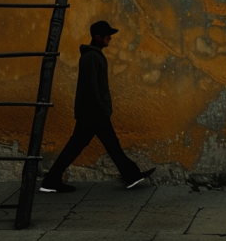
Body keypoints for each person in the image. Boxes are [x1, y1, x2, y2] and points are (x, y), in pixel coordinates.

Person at [39, 20, 154, 193]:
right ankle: (130, 175)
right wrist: (102, 108)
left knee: (90, 145)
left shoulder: (93, 56)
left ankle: (52, 179)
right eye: (107, 36)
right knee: (103, 144)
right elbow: (91, 87)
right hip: (93, 113)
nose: (110, 39)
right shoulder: (91, 57)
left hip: (92, 112)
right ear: (97, 37)